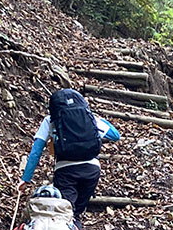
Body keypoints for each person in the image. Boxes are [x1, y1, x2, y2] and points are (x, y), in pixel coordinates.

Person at [19, 87, 120, 219]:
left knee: (66, 214)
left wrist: (25, 179)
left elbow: (36, 153)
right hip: (92, 170)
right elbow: (115, 135)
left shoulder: (50, 121)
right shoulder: (89, 118)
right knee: (76, 214)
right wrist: (96, 118)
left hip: (65, 171)